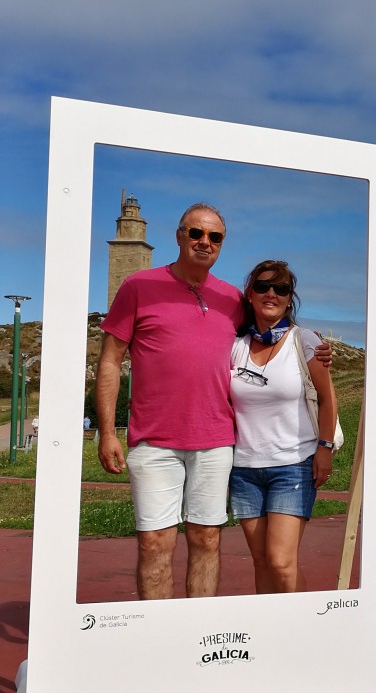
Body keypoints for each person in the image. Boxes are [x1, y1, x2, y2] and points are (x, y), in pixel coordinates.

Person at [96, 204, 331, 600]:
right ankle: (161, 637)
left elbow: (269, 329)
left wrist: (318, 351)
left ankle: (196, 634)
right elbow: (110, 360)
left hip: (217, 440)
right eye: (196, 233)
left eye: (215, 236)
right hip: (153, 440)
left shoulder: (229, 298)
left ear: (222, 243)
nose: (205, 242)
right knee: (154, 542)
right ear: (179, 235)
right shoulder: (137, 286)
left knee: (207, 539)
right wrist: (106, 432)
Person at [229, 260, 338, 593]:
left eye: (281, 288)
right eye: (262, 287)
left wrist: (325, 448)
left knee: (280, 560)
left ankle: (305, 635)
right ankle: (269, 634)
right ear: (250, 294)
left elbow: (327, 397)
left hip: (293, 465)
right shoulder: (236, 345)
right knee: (261, 561)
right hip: (244, 468)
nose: (271, 294)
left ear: (290, 298)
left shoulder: (303, 340)